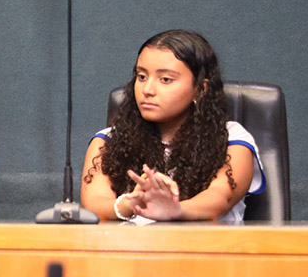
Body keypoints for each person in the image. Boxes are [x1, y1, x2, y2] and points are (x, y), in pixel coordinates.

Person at [80, 29, 263, 223]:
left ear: (200, 89)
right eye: (142, 76)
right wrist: (131, 204)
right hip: (130, 249)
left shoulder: (231, 138)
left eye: (165, 79)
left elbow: (220, 197)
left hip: (208, 250)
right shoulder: (107, 140)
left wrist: (174, 209)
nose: (147, 90)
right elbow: (94, 203)